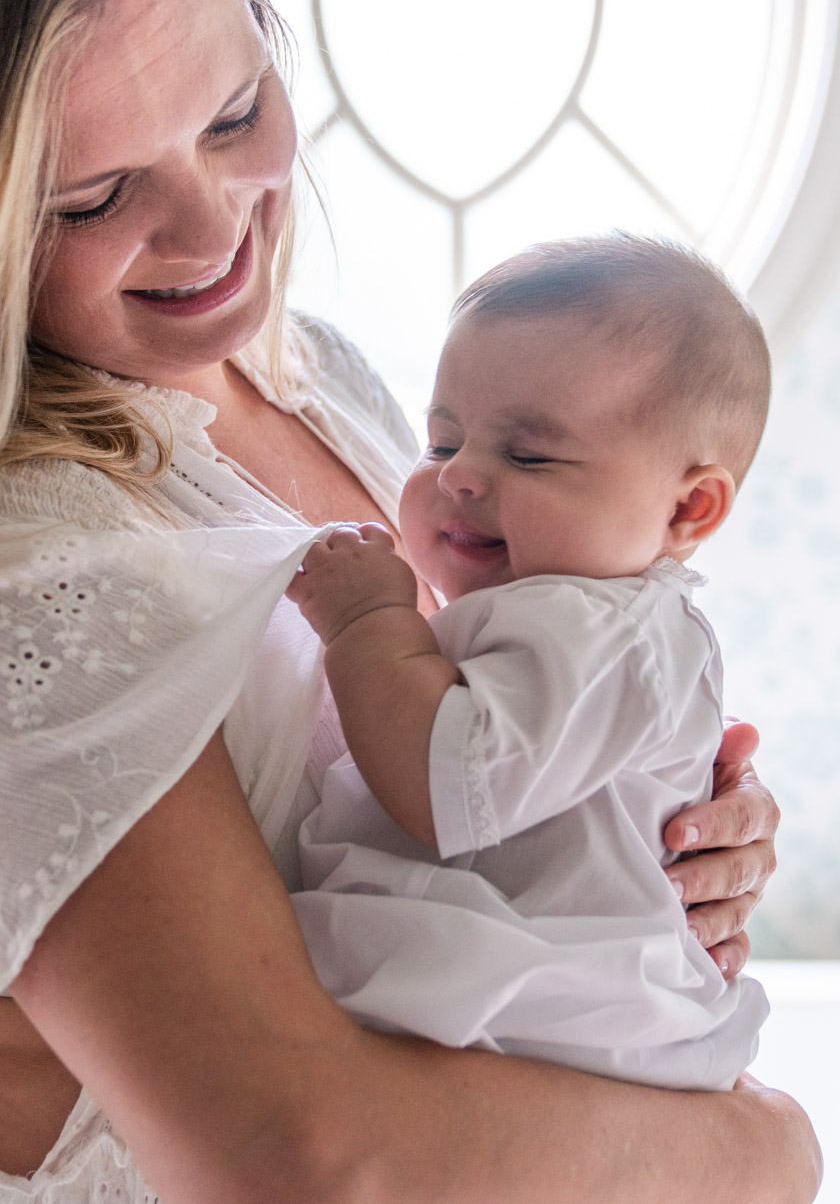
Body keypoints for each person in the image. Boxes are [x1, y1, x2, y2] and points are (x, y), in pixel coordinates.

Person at [0, 0, 819, 1204]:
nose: (212, 226)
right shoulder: (10, 565)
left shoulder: (324, 383)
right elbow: (297, 1154)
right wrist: (762, 1146)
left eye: (234, 112)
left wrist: (642, 841)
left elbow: (445, 796)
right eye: (97, 197)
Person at [288, 236, 773, 1090]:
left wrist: (368, 622)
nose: (461, 477)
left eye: (529, 455)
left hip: (557, 1031)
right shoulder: (571, 616)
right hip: (516, 1022)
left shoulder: (600, 630)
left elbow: (447, 783)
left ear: (687, 506)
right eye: (442, 442)